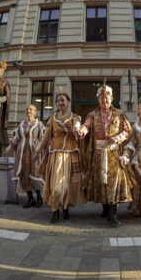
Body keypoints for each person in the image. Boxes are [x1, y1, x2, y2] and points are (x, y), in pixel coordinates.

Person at [77, 82, 136, 226]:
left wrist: (117, 138)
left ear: (112, 98)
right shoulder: (92, 114)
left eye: (107, 97)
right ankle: (105, 208)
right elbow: (86, 126)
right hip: (97, 154)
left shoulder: (120, 114)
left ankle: (113, 214)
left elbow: (128, 131)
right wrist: (81, 131)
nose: (105, 100)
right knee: (101, 182)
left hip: (114, 154)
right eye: (102, 98)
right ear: (98, 99)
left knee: (113, 184)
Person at [35, 93, 86, 223]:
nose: (60, 103)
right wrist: (37, 150)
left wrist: (76, 130)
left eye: (63, 100)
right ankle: (55, 210)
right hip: (56, 155)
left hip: (70, 155)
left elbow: (76, 126)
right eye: (58, 101)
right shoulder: (52, 118)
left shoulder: (74, 117)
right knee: (56, 185)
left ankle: (65, 207)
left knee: (68, 184)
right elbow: (46, 136)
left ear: (68, 102)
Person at [4, 105, 45, 208]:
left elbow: (44, 138)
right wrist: (8, 149)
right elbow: (15, 139)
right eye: (27, 109)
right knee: (24, 174)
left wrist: (44, 150)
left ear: (35, 112)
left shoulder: (39, 124)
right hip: (22, 154)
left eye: (31, 109)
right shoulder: (21, 125)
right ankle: (30, 198)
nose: (28, 111)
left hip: (34, 153)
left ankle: (39, 198)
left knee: (35, 173)